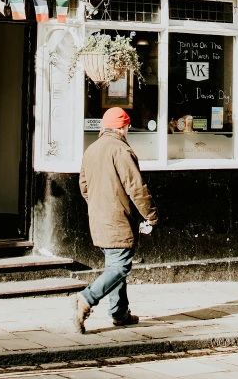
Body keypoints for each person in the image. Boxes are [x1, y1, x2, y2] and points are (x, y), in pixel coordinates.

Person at [74, 107, 158, 333]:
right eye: (128, 127)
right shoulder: (121, 150)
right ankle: (86, 298)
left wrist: (98, 205)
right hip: (118, 218)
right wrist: (151, 214)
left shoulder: (90, 150)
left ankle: (120, 313)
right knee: (120, 267)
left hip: (98, 218)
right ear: (123, 127)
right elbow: (136, 187)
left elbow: (83, 186)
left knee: (114, 265)